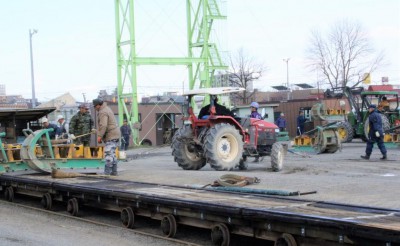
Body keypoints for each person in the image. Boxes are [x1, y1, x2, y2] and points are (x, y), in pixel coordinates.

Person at [93, 98, 121, 176]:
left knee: (108, 154)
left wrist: (99, 136)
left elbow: (104, 125)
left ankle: (107, 173)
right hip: (115, 134)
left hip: (110, 135)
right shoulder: (107, 108)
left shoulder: (102, 112)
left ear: (98, 105)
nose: (95, 108)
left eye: (95, 106)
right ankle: (114, 172)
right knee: (113, 154)